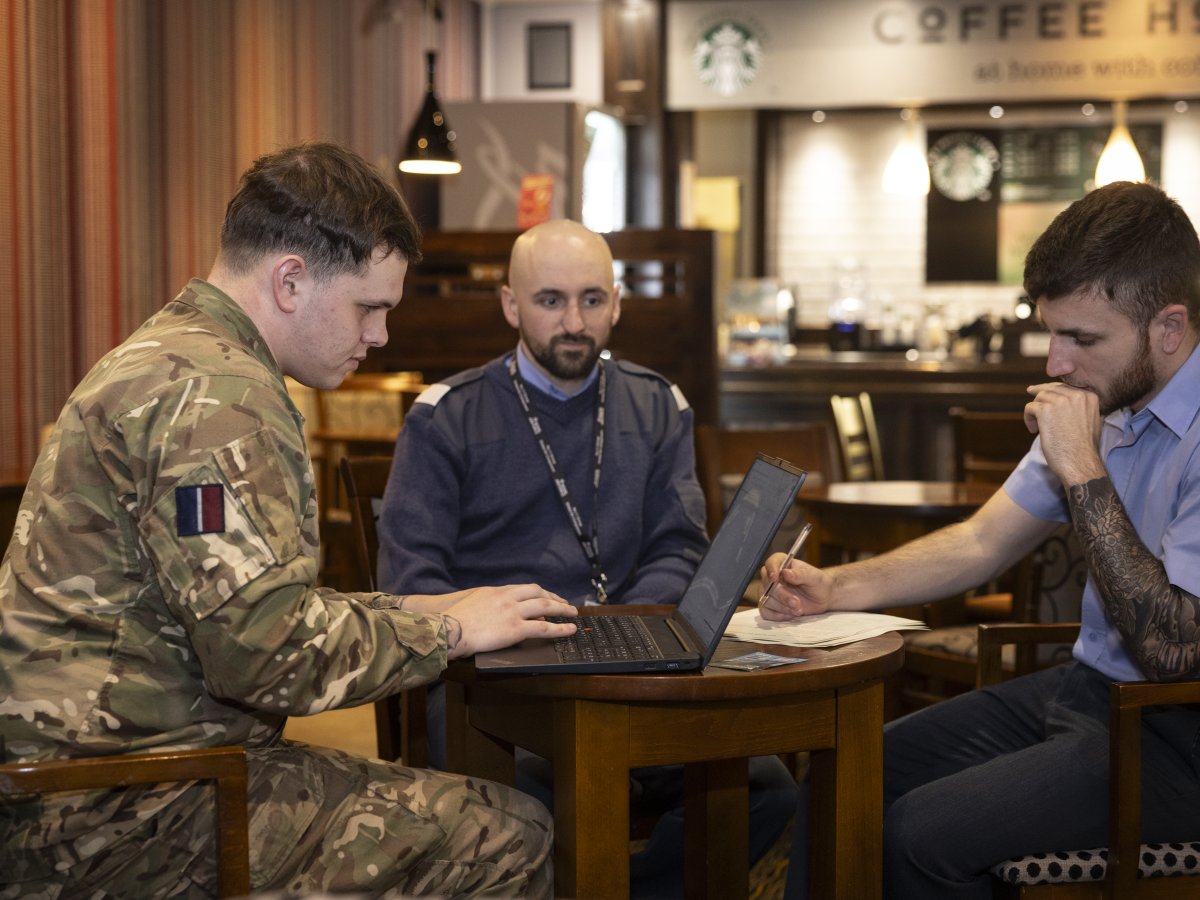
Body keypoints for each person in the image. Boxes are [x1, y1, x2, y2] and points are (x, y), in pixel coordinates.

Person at [0, 141, 579, 899]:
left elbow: (248, 609)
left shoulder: (176, 354)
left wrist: (413, 609)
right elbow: (267, 659)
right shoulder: (221, 399)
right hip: (121, 810)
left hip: (89, 781)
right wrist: (447, 632)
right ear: (291, 280)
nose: (380, 336)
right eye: (369, 307)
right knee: (510, 835)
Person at [763, 180, 1200, 900]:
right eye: (1053, 332)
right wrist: (836, 588)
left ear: (1170, 328)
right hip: (1090, 693)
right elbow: (980, 543)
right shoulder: (1110, 393)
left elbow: (1172, 649)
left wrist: (1081, 466)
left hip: (1178, 733)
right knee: (847, 770)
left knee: (921, 835)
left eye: (1082, 339)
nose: (1055, 363)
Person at [377, 218, 798, 898]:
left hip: (631, 663)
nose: (574, 322)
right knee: (530, 806)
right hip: (492, 682)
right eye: (550, 300)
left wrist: (613, 627)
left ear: (617, 304)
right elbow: (407, 581)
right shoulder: (445, 416)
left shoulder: (658, 403)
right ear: (511, 305)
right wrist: (501, 631)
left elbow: (678, 544)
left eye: (592, 299)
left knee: (768, 789)